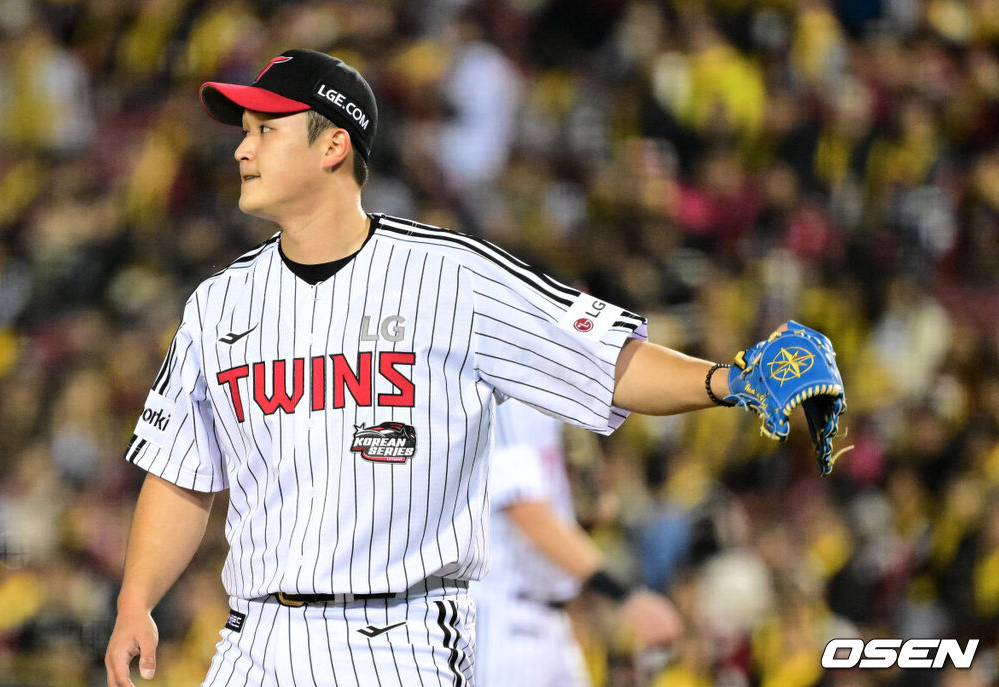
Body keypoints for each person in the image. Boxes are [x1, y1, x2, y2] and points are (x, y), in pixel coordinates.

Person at [103, 48, 758, 687]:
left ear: (332, 146)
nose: (243, 150)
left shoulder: (452, 275)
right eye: (245, 133)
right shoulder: (217, 303)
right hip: (255, 635)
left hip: (397, 637)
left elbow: (607, 361)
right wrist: (137, 599)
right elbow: (181, 471)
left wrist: (731, 380)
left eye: (266, 131)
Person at [473, 398, 682, 687]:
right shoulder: (505, 399)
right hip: (505, 616)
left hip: (551, 619)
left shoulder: (548, 405)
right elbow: (527, 513)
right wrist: (624, 595)